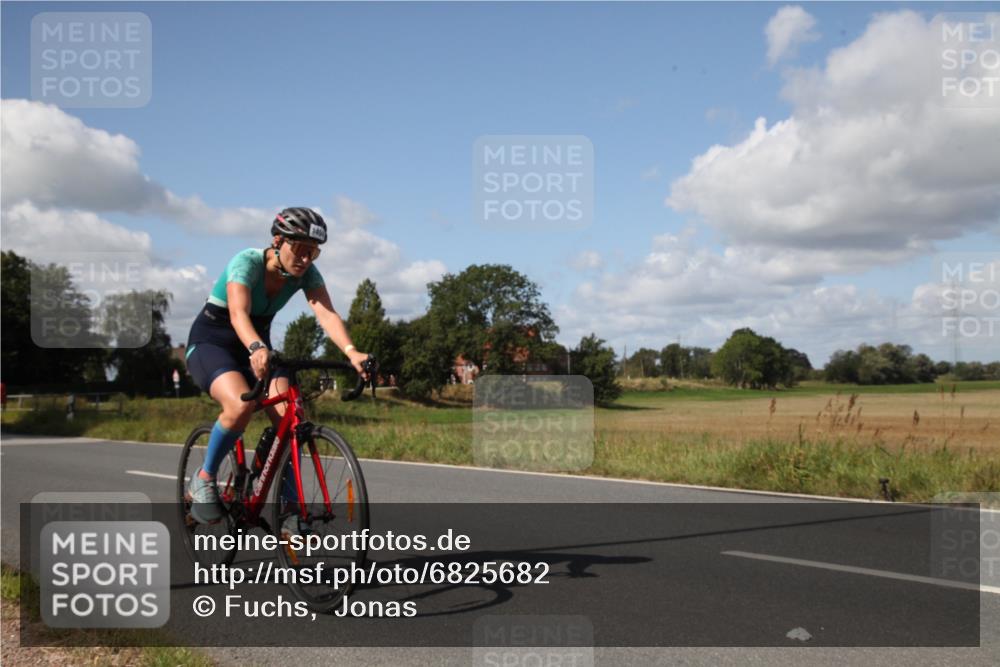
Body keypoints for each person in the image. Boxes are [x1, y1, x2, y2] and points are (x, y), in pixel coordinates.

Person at [184, 207, 369, 524]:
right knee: (240, 405)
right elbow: (238, 314)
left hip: (259, 349)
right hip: (212, 343)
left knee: (291, 423)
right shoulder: (247, 262)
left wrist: (352, 352)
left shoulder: (306, 274)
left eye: (313, 253)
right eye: (299, 250)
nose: (306, 260)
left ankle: (289, 509)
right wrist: (256, 346)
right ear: (278, 241)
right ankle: (205, 476)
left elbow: (326, 314)